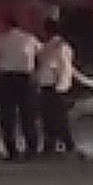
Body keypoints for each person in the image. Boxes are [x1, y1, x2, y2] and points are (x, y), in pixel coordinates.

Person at [0, 13, 42, 161]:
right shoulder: (29, 38)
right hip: (25, 78)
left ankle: (11, 151)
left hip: (6, 78)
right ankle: (32, 149)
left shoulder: (2, 39)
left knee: (8, 116)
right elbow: (41, 52)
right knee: (28, 115)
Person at [33, 19, 79, 158]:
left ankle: (68, 143)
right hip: (46, 85)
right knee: (48, 118)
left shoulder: (61, 46)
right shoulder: (47, 46)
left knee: (59, 118)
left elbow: (65, 67)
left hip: (56, 86)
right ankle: (50, 144)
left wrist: (61, 85)